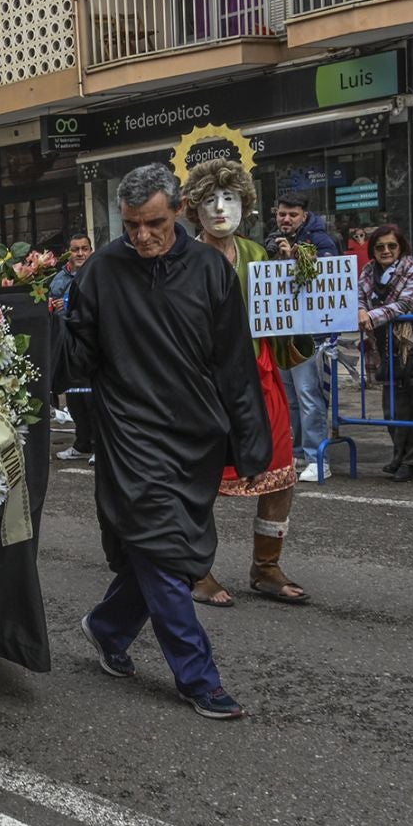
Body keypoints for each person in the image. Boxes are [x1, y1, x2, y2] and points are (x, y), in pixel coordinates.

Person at [68, 163, 270, 719]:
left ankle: (108, 628)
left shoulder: (209, 269)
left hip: (194, 436)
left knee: (171, 552)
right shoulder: (102, 270)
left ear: (179, 211)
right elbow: (74, 352)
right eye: (131, 225)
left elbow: (234, 361)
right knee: (162, 548)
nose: (142, 236)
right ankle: (198, 678)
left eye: (153, 222)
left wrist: (252, 442)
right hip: (130, 433)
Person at [182, 160, 309, 608]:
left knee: (280, 477)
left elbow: (285, 325)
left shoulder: (260, 256)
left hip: (261, 379)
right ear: (193, 209)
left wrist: (308, 299)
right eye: (209, 200)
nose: (220, 208)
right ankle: (197, 570)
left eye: (229, 198)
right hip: (203, 386)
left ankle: (266, 567)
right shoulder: (181, 261)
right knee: (197, 482)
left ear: (246, 204)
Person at [265, 192, 337, 477]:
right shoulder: (271, 240)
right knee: (289, 398)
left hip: (310, 332)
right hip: (282, 331)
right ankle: (293, 455)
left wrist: (294, 258)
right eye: (282, 214)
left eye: (292, 215)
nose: (286, 219)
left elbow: (327, 277)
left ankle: (318, 459)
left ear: (304, 216)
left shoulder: (320, 241)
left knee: (309, 396)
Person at [357, 224, 413, 481]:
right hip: (383, 347)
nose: (386, 251)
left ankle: (410, 462)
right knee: (392, 409)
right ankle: (398, 455)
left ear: (401, 246)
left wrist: (370, 315)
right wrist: (360, 310)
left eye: (392, 245)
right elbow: (359, 296)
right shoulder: (368, 271)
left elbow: (405, 304)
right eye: (380, 247)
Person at [51, 235, 97, 463]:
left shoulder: (99, 273)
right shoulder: (58, 278)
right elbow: (48, 301)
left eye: (84, 249)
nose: (80, 253)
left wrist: (68, 303)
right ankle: (81, 444)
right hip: (67, 344)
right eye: (75, 249)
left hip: (92, 343)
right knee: (74, 399)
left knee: (94, 400)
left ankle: (101, 447)